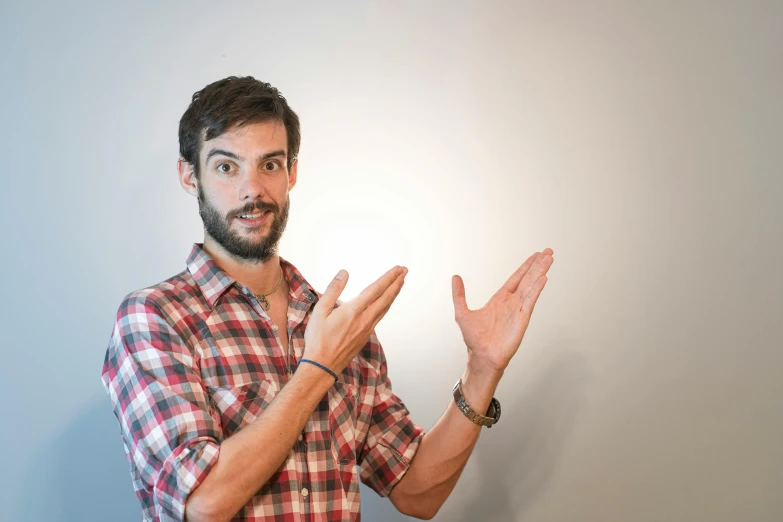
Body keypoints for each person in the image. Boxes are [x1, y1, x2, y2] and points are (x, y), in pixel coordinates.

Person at [101, 76, 554, 522]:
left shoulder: (340, 325)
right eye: (226, 167)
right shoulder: (154, 318)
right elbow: (203, 504)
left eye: (270, 165)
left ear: (292, 172)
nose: (252, 190)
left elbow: (418, 491)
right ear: (189, 175)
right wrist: (318, 369)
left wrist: (482, 370)